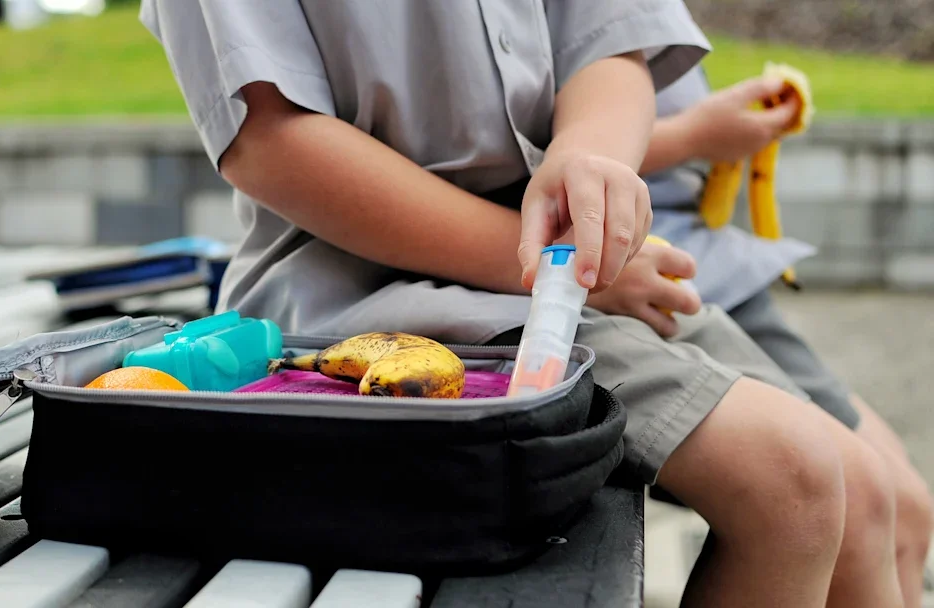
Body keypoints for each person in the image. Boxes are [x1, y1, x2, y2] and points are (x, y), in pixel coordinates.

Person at [140, 1, 905, 604]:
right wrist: (541, 260)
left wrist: (586, 165)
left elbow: (611, 46)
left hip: (584, 268)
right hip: (375, 297)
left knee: (868, 495)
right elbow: (270, 142)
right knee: (792, 481)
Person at [641, 64, 934, 607]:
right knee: (857, 505)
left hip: (708, 270)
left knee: (907, 510)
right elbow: (533, 159)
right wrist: (696, 136)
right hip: (651, 277)